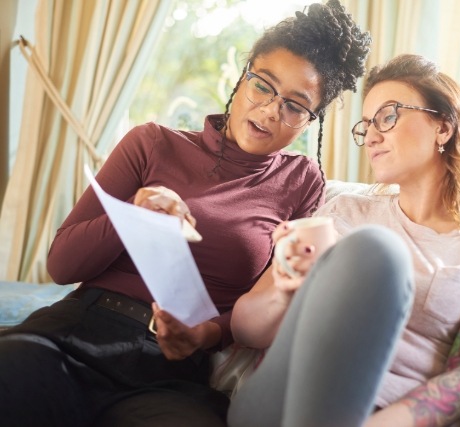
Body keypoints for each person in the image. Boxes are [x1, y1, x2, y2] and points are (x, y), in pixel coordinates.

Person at [0, 2, 371, 426]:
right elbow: (62, 265)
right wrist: (133, 215)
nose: (271, 110)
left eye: (295, 106)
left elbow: (267, 299)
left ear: (311, 120)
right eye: (264, 86)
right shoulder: (151, 143)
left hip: (172, 367)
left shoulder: (302, 182)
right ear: (244, 75)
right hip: (77, 332)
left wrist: (205, 335)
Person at [227, 54, 460, 427]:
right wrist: (286, 286)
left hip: (387, 416)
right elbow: (245, 331)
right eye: (366, 126)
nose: (372, 136)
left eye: (387, 116)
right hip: (281, 397)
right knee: (373, 249)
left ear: (443, 127)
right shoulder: (344, 212)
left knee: (378, 252)